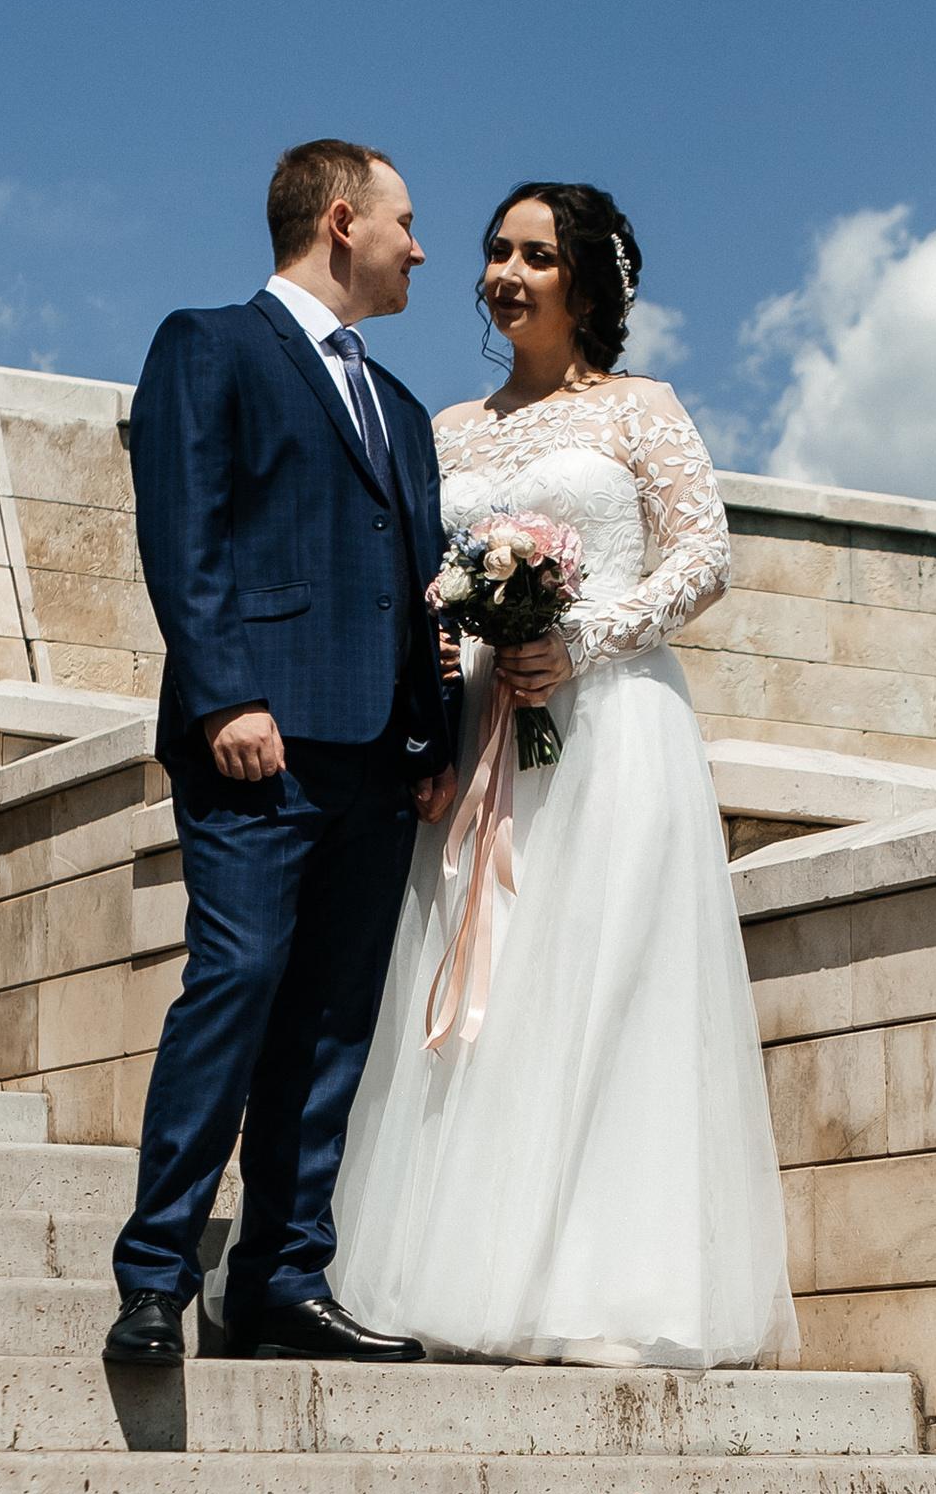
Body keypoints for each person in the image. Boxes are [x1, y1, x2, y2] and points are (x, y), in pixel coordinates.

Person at [329, 182, 798, 1369]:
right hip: (480, 735)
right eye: (497, 251)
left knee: (603, 990)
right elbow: (421, 581)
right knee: (484, 996)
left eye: (536, 256)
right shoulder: (447, 428)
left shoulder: (643, 410)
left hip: (611, 728)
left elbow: (704, 557)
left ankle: (605, 1288)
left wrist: (579, 639)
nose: (506, 273)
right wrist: (447, 659)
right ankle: (455, 1272)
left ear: (586, 282)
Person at [103, 141, 457, 1372]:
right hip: (255, 744)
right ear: (343, 219)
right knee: (237, 985)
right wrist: (224, 696)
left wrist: (431, 738)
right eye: (406, 223)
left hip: (378, 765)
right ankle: (156, 1277)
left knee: (332, 1025)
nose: (420, 249)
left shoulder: (400, 409)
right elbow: (182, 530)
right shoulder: (209, 346)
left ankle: (281, 1281)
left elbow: (417, 591)